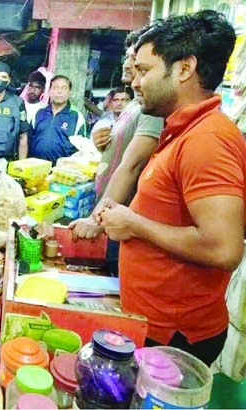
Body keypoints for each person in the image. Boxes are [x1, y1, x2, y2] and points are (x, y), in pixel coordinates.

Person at [99, 10, 245, 366]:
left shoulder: (206, 139)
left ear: (184, 69)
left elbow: (224, 248)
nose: (136, 82)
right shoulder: (181, 131)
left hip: (176, 337)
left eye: (146, 70)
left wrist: (134, 225)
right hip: (154, 322)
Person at [70, 26, 164, 278]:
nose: (127, 63)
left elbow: (133, 164)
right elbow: (123, 150)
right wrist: (104, 145)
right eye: (128, 56)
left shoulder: (151, 109)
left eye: (134, 59)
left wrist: (96, 218)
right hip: (112, 211)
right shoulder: (134, 104)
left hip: (123, 214)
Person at [29, 75, 87, 164]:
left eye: (64, 88)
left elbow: (82, 148)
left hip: (61, 171)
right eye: (55, 88)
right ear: (49, 91)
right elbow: (28, 139)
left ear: (69, 92)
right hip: (36, 168)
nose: (59, 92)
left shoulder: (76, 117)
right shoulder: (39, 113)